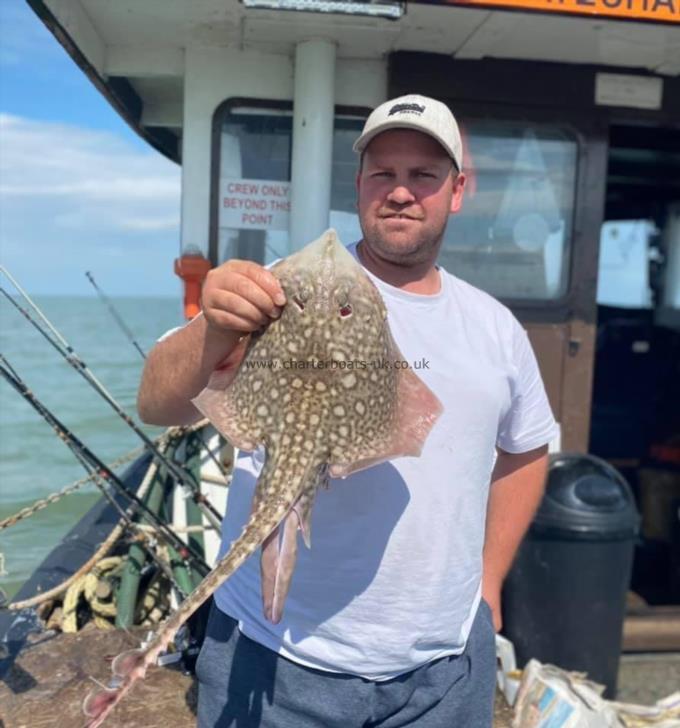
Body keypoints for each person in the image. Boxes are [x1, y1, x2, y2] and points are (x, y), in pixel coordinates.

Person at [137, 93, 557, 727]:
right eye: (383, 174)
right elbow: (156, 403)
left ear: (457, 190)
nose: (400, 192)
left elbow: (526, 447)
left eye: (423, 176)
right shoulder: (280, 289)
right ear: (360, 184)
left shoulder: (494, 328)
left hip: (442, 669)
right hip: (276, 658)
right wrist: (215, 328)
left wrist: (488, 583)